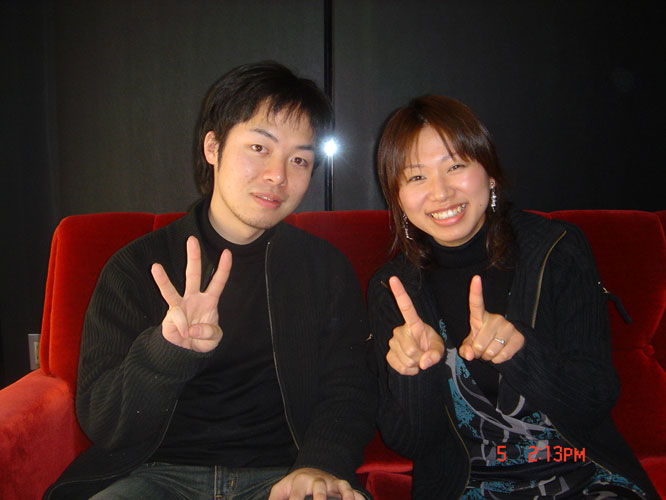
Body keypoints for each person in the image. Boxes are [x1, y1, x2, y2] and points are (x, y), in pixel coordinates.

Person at [44, 61, 376, 500]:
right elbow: (102, 421)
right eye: (259, 147)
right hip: (154, 476)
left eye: (299, 159)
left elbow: (350, 390)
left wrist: (319, 465)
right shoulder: (138, 267)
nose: (278, 175)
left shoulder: (323, 269)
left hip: (283, 475)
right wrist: (166, 351)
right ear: (213, 147)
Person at [367, 95, 658, 499]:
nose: (441, 192)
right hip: (467, 487)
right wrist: (414, 373)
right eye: (416, 177)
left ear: (489, 174)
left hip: (583, 474)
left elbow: (595, 399)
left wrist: (522, 354)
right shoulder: (393, 288)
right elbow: (409, 442)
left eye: (455, 166)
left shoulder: (557, 249)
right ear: (396, 196)